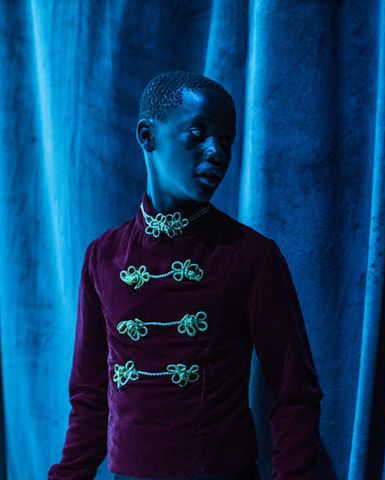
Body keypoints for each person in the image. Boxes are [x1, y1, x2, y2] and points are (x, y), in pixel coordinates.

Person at [48, 71, 322, 480]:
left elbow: (293, 390)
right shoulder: (103, 257)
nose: (217, 152)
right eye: (198, 133)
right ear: (147, 136)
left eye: (226, 140)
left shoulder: (250, 255)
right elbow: (90, 395)